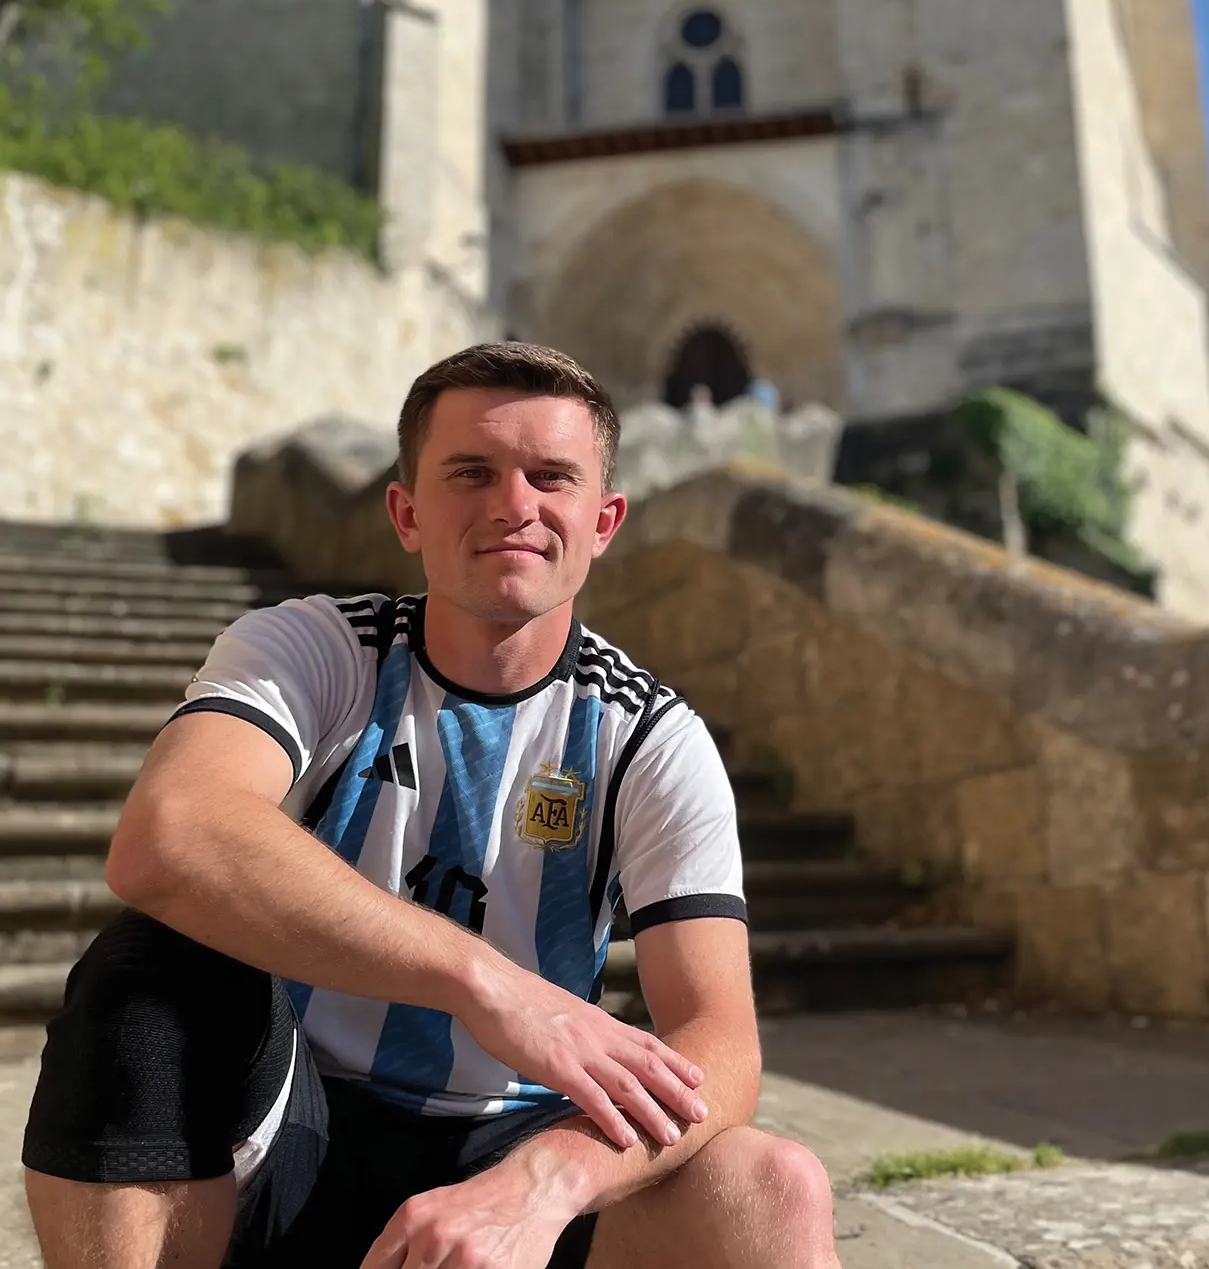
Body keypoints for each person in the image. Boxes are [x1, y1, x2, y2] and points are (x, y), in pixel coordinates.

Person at [22, 343, 840, 1269]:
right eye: (472, 472)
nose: (513, 505)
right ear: (406, 512)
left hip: (513, 1154)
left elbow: (722, 1040)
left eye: (551, 477)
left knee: (775, 1186)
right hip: (291, 1122)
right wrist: (488, 983)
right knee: (148, 972)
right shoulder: (319, 648)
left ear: (603, 519)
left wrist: (545, 1184)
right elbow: (166, 838)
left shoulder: (649, 736)